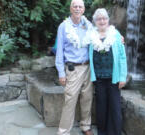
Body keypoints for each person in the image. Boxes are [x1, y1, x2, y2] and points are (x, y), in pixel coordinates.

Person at [55, 0, 94, 135]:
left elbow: (100, 36)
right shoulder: (63, 27)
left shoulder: (88, 25)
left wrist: (118, 38)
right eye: (75, 6)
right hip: (73, 69)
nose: (77, 8)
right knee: (70, 101)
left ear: (83, 9)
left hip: (88, 67)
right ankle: (64, 131)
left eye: (80, 6)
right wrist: (61, 72)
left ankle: (85, 126)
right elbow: (59, 51)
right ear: (71, 9)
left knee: (87, 99)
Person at [89, 8, 127, 135]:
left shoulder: (116, 35)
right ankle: (102, 131)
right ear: (95, 21)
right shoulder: (91, 35)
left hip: (113, 77)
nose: (102, 21)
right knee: (101, 105)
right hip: (99, 77)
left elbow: (122, 56)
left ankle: (114, 132)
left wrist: (122, 77)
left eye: (104, 18)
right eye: (99, 19)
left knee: (115, 106)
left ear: (108, 20)